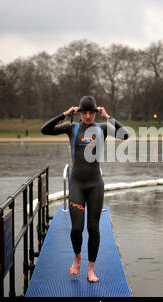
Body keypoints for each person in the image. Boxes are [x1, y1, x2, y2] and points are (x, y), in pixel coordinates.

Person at [41, 96, 129, 282]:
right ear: (79, 113)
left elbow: (125, 134)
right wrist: (65, 114)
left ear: (95, 113)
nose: (88, 116)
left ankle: (91, 269)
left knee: (93, 227)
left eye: (91, 112)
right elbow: (45, 129)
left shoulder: (102, 128)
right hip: (77, 185)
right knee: (76, 228)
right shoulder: (71, 128)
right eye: (85, 112)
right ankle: (77, 257)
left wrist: (107, 116)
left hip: (95, 184)